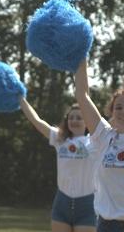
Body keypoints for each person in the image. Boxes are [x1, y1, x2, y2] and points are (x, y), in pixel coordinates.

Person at [75, 60, 124, 231]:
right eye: (118, 107)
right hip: (107, 225)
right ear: (111, 112)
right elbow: (82, 95)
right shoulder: (103, 136)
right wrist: (81, 54)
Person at [20, 97, 96, 232]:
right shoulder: (60, 139)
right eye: (71, 117)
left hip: (87, 204)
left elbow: (116, 125)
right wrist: (21, 98)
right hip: (62, 202)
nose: (74, 121)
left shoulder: (95, 142)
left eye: (79, 118)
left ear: (87, 121)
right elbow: (36, 120)